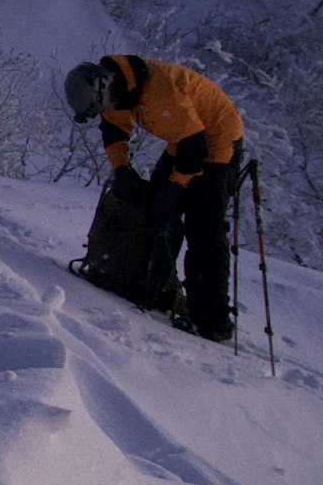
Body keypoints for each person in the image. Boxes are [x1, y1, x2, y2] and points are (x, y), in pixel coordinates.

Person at [62, 54, 246, 341]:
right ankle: (149, 285)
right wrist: (122, 169)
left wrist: (176, 188)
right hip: (185, 139)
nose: (105, 110)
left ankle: (211, 320)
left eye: (102, 105)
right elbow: (114, 131)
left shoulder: (160, 94)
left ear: (103, 86)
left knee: (203, 226)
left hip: (218, 140)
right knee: (152, 211)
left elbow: (196, 147)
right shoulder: (118, 90)